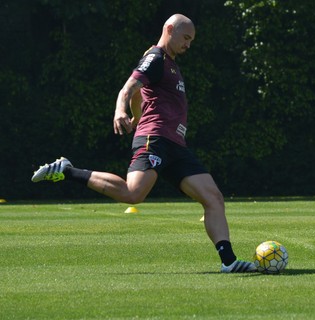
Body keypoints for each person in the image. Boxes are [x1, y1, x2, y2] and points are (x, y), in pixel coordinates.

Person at [32, 13, 256, 273]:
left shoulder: (170, 62)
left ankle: (229, 262)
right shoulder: (156, 58)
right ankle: (68, 170)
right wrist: (120, 111)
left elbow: (141, 94)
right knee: (133, 193)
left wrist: (136, 117)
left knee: (214, 197)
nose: (188, 45)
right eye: (185, 38)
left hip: (176, 145)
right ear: (169, 29)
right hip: (156, 139)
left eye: (191, 40)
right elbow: (128, 88)